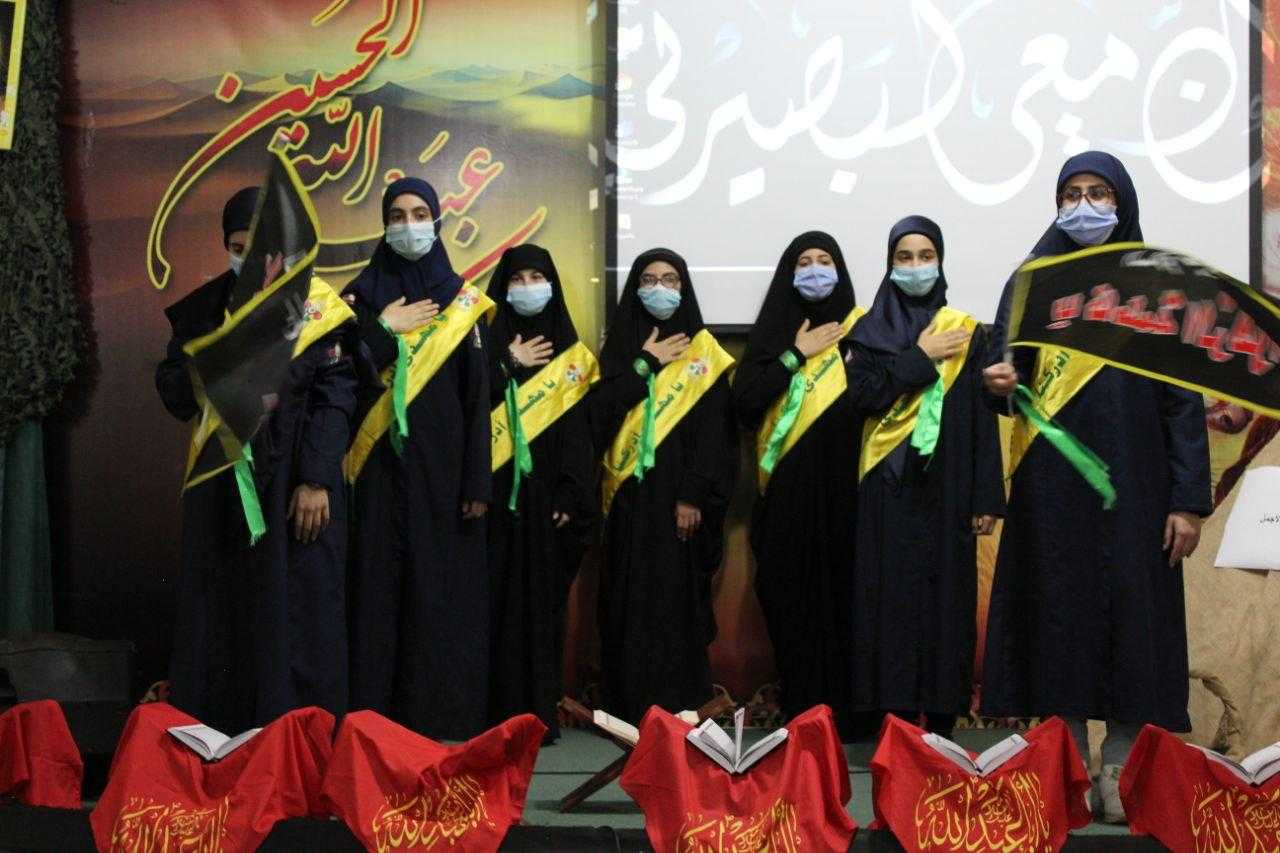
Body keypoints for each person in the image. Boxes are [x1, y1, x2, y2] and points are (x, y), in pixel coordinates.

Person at [980, 152, 1212, 822]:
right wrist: (997, 381)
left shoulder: (1159, 286)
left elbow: (1182, 400)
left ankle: (1121, 764)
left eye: (1099, 192)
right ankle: (1070, 763)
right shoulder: (1033, 280)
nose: (1084, 206)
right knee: (1059, 615)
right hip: (1054, 487)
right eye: (1072, 194)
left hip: (1139, 485)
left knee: (1136, 621)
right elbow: (1004, 376)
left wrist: (1187, 500)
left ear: (1123, 202)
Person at [158, 186, 358, 733]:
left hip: (297, 485)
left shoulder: (317, 308)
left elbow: (337, 397)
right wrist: (210, 367)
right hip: (222, 484)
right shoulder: (203, 311)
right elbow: (174, 392)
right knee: (221, 611)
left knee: (298, 612)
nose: (250, 259)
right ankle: (216, 740)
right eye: (238, 248)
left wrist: (316, 479)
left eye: (261, 247)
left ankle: (296, 743)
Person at [343, 177, 494, 740]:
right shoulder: (360, 298)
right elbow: (341, 378)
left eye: (419, 213)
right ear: (385, 225)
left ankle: (438, 718)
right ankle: (374, 722)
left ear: (437, 221)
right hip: (377, 472)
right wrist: (384, 330)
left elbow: (478, 397)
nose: (409, 225)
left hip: (443, 475)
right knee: (378, 593)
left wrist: (476, 481)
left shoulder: (461, 300)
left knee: (439, 594)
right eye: (397, 215)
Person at [844, 215, 1004, 738]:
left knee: (945, 605)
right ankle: (889, 724)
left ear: (940, 261)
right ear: (890, 264)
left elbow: (982, 416)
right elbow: (865, 397)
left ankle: (940, 721)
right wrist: (919, 357)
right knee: (887, 603)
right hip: (888, 489)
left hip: (949, 488)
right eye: (904, 257)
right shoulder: (867, 332)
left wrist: (985, 497)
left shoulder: (965, 331)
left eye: (925, 256)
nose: (916, 267)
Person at [592, 248, 738, 722]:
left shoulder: (704, 351)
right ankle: (627, 707)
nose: (660, 288)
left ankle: (681, 706)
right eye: (649, 279)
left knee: (676, 604)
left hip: (680, 503)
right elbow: (599, 414)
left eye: (670, 279)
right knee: (627, 599)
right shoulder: (619, 348)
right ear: (635, 288)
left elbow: (716, 432)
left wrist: (693, 494)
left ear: (684, 287)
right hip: (629, 500)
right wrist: (644, 364)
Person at [731, 231, 861, 731]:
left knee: (848, 599)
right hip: (786, 497)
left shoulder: (862, 329)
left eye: (824, 260)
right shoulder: (774, 335)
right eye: (803, 262)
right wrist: (795, 354)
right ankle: (804, 708)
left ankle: (851, 713)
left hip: (849, 494)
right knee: (790, 599)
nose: (814, 270)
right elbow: (745, 403)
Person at [484, 244, 597, 741]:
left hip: (549, 506)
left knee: (542, 609)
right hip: (493, 501)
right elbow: (466, 404)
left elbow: (581, 432)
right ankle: (490, 715)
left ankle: (537, 716)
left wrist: (571, 492)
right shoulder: (485, 344)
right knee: (492, 605)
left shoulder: (571, 354)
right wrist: (507, 362)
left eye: (537, 277)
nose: (527, 287)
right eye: (517, 278)